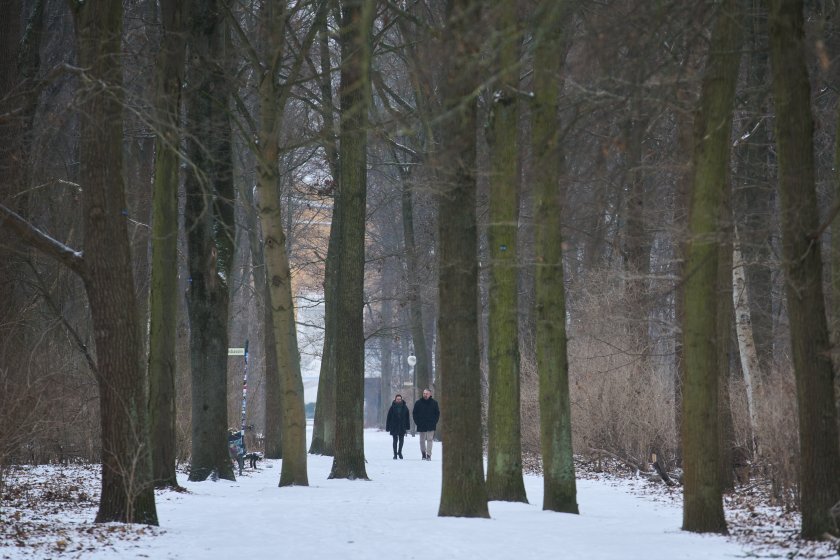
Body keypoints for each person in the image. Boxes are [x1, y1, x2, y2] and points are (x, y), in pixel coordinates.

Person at [412, 388, 440, 461]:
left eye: (426, 393)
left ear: (430, 394)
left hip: (431, 424)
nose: (425, 395)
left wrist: (434, 422)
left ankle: (429, 455)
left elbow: (437, 414)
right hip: (421, 424)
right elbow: (414, 413)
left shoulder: (434, 403)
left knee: (430, 439)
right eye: (424, 393)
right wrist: (417, 422)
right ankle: (423, 453)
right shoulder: (418, 403)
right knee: (422, 440)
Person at [386, 394, 411, 459]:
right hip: (394, 426)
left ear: (401, 399)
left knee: (401, 440)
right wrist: (388, 427)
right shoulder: (392, 407)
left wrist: (407, 426)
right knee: (395, 440)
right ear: (395, 399)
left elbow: (407, 418)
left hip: (402, 426)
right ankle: (395, 454)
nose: (398, 400)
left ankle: (399, 452)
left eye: (400, 399)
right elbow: (389, 418)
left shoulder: (405, 407)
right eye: (397, 399)